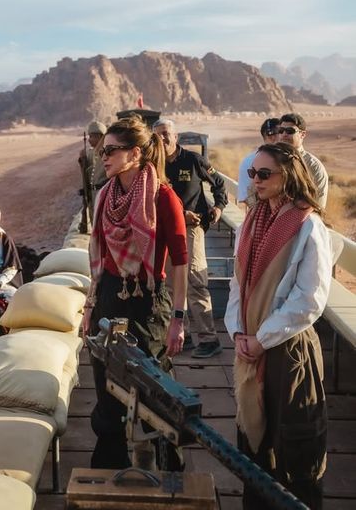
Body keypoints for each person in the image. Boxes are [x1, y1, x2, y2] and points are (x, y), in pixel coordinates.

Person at [225, 142, 330, 509]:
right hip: (251, 346)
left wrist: (261, 338)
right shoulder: (252, 222)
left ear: (290, 177)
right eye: (253, 173)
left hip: (288, 351)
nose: (255, 181)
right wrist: (238, 333)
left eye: (264, 174)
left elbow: (309, 299)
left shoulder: (308, 226)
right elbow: (238, 284)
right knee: (254, 449)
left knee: (296, 447)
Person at [82, 116, 188, 470]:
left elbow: (181, 261)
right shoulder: (104, 196)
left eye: (111, 150)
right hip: (110, 295)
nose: (103, 156)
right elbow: (98, 260)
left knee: (155, 383)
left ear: (137, 153)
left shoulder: (162, 196)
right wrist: (91, 306)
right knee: (106, 378)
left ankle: (168, 465)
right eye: (101, 150)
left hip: (148, 299)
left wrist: (178, 318)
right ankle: (110, 462)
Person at [153, 118, 227, 358]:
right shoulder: (154, 165)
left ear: (176, 137)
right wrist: (177, 214)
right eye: (157, 135)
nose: (162, 139)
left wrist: (218, 208)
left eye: (166, 134)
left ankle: (209, 339)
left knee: (195, 281)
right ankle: (182, 336)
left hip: (192, 229)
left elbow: (219, 184)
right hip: (166, 230)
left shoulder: (193, 160)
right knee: (171, 283)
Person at [276, 113, 329, 209]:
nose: (284, 135)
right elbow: (253, 191)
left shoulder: (313, 166)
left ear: (302, 134)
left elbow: (318, 205)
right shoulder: (271, 158)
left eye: (290, 131)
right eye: (281, 130)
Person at [237, 118, 280, 208]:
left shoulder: (291, 159)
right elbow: (246, 197)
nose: (285, 135)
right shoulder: (249, 162)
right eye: (281, 132)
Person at [78, 120, 106, 232]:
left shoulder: (107, 152)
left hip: (103, 193)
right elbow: (85, 173)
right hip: (92, 194)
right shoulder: (90, 153)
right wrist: (82, 160)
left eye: (92, 136)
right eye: (89, 136)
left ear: (100, 137)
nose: (89, 140)